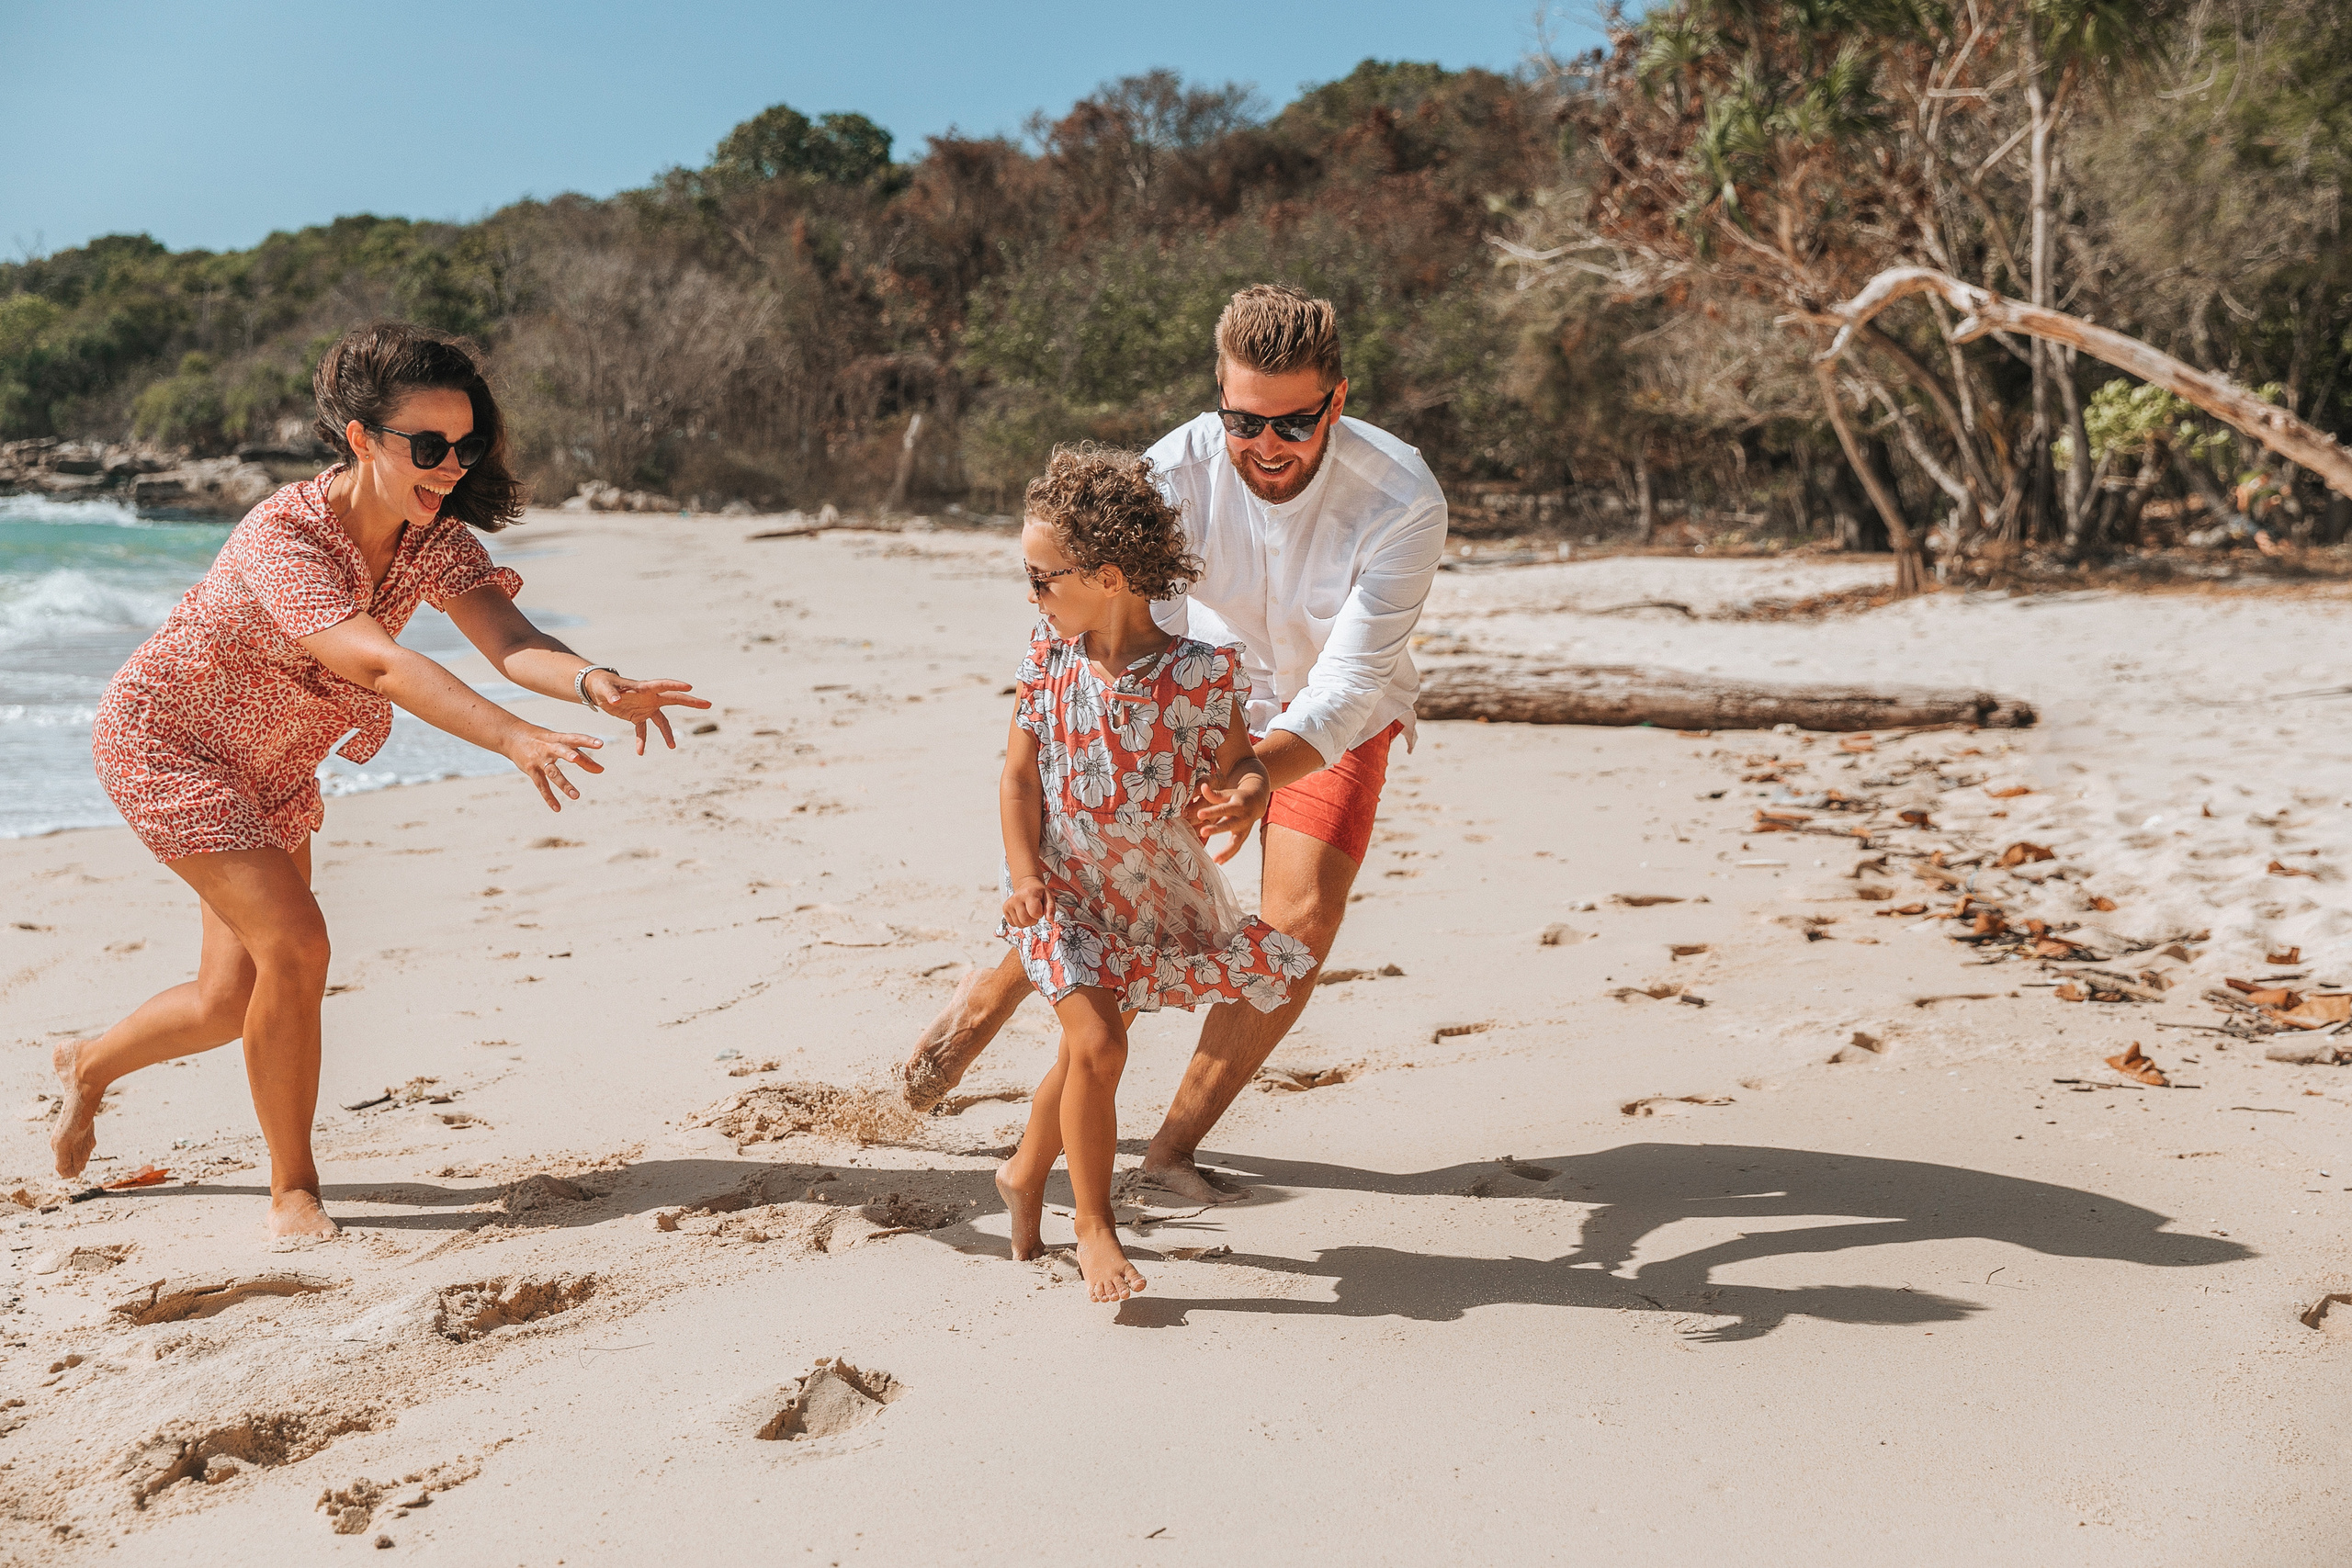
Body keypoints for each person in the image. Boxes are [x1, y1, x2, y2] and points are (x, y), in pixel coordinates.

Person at [53, 321, 710, 1239]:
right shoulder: (288, 537)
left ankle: (88, 1064)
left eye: (466, 444)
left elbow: (512, 643)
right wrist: (513, 738)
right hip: (170, 743)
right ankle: (293, 1190)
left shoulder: (431, 536)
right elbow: (381, 667)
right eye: (429, 446)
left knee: (225, 1000)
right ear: (359, 437)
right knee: (300, 948)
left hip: (274, 763)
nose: (450, 466)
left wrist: (596, 683)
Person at [904, 284, 1447, 1204]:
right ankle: (986, 1000)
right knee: (1100, 867)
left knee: (1300, 921)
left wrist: (1255, 777)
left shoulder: (1400, 497)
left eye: (1293, 425)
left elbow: (1350, 684)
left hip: (1328, 718)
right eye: (1244, 422)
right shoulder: (1173, 470)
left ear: (1338, 401)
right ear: (1219, 400)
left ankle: (1171, 1148)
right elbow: (1099, 609)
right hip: (1187, 692)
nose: (1265, 447)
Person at [992, 446, 1306, 1301]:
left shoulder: (1202, 674)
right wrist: (1024, 875)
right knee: (1100, 1043)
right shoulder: (1047, 662)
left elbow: (1243, 765)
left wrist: (1243, 798)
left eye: (1043, 577)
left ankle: (1024, 1171)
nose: (1033, 595)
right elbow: (1020, 779)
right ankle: (1094, 1226)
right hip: (1063, 894)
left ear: (1110, 574)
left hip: (1153, 902)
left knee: (1083, 1058)